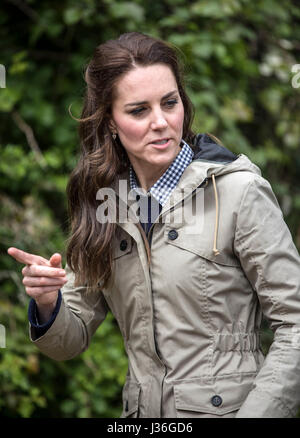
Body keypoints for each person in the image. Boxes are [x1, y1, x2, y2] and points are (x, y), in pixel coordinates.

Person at [7, 32, 300, 418]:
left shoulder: (239, 192)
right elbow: (69, 341)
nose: (161, 122)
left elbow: (295, 325)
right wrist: (47, 303)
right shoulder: (104, 204)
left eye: (170, 103)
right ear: (110, 122)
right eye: (138, 110)